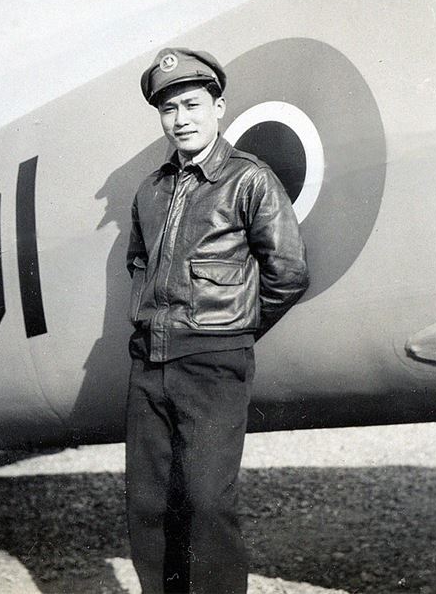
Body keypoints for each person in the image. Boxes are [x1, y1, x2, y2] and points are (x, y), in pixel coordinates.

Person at [125, 47, 309, 594]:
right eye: (169, 109)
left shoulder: (249, 179)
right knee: (149, 506)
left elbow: (288, 273)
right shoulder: (150, 190)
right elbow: (139, 264)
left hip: (213, 363)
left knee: (207, 503)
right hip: (149, 365)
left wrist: (231, 332)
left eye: (192, 105)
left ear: (218, 107)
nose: (181, 119)